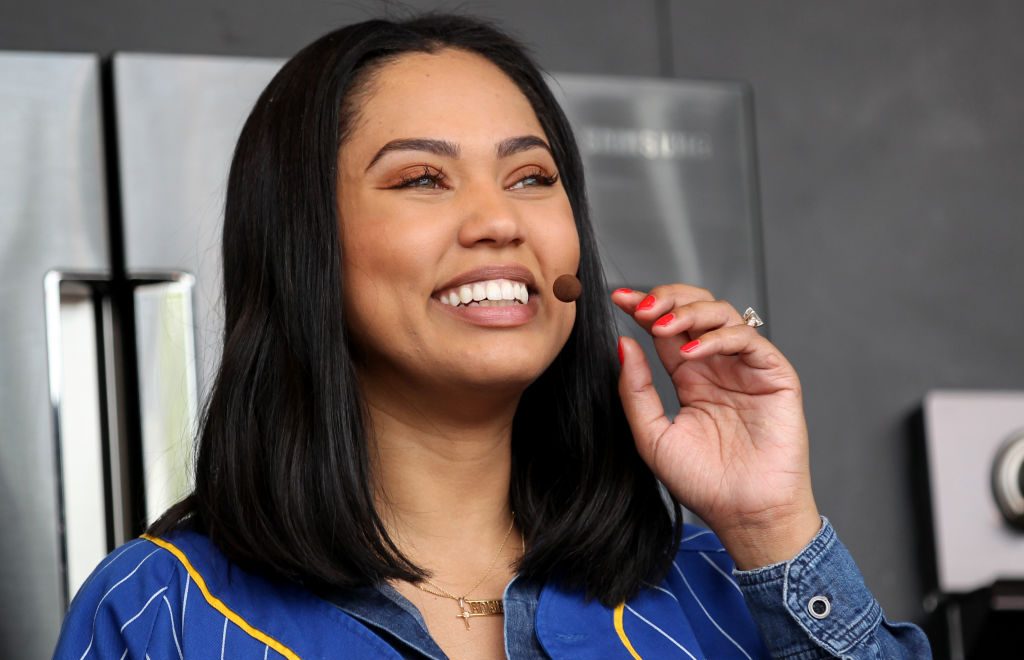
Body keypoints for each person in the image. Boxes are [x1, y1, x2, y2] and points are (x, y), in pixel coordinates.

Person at [55, 13, 932, 659]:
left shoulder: (716, 588)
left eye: (532, 176)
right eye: (424, 177)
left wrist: (774, 524)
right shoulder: (159, 612)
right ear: (304, 244)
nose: (498, 221)